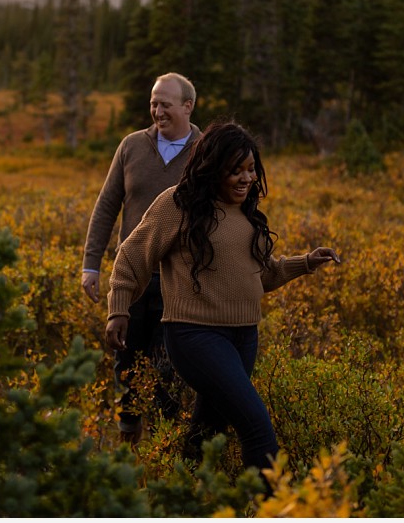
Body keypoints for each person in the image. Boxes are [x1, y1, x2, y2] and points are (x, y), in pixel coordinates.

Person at [105, 120, 340, 477]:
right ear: (212, 168)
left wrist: (306, 262)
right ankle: (270, 509)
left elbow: (262, 276)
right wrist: (118, 309)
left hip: (244, 335)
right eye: (236, 171)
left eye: (250, 170)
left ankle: (180, 496)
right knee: (257, 428)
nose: (246, 179)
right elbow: (132, 255)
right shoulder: (176, 205)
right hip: (194, 335)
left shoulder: (246, 213)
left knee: (208, 429)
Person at [82, 72, 202, 444]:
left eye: (165, 104)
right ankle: (128, 437)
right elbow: (106, 207)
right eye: (153, 102)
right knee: (126, 359)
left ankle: (167, 443)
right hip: (131, 277)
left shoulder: (206, 149)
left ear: (187, 106)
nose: (157, 110)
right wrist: (91, 265)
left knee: (169, 364)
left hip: (179, 279)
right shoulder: (131, 146)